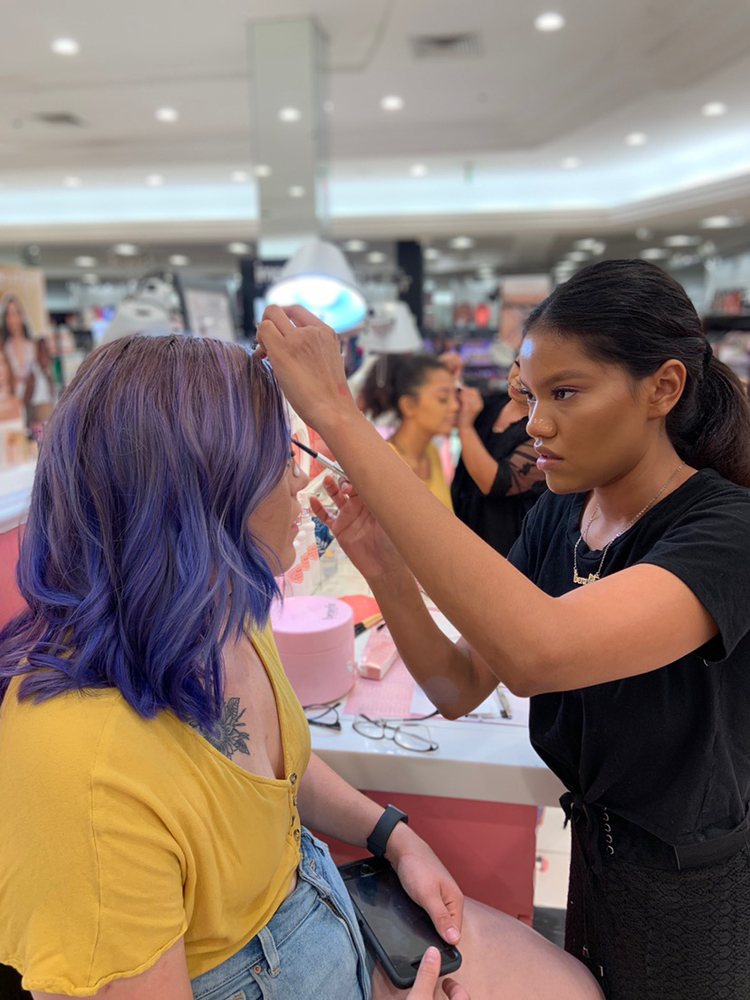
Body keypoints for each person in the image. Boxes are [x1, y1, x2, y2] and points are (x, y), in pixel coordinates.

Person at [0, 334, 601, 1000]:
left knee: (571, 987)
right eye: (280, 459)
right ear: (205, 493)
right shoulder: (79, 765)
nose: (299, 479)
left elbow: (273, 770)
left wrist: (393, 836)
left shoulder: (226, 615)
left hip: (317, 910)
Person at [257, 258, 750, 1000]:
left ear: (664, 388)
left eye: (566, 393)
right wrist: (385, 569)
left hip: (692, 888)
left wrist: (337, 412)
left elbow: (536, 652)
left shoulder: (725, 533)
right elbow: (459, 684)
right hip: (599, 859)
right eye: (529, 395)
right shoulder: (561, 514)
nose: (535, 423)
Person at [451, 359, 546, 555]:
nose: (519, 378)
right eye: (518, 365)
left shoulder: (542, 430)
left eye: (531, 371)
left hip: (506, 543)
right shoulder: (493, 403)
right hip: (464, 523)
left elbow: (494, 483)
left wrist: (465, 426)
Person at [361, 353, 458, 509]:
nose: (455, 406)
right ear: (409, 405)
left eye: (455, 396)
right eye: (443, 398)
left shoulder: (431, 451)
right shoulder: (386, 462)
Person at [1, 295, 36, 406]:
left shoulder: (32, 346)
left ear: (22, 316)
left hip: (34, 401)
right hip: (12, 402)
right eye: (8, 315)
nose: (12, 319)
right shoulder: (4, 349)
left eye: (15, 314)